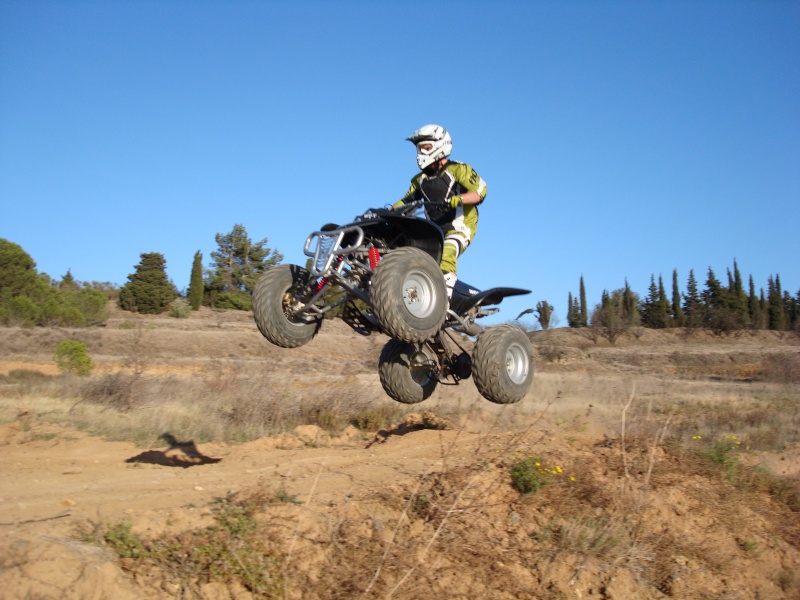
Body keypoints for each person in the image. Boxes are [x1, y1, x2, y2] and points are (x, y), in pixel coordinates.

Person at [392, 124, 487, 299]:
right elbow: (405, 201)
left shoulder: (458, 169)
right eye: (419, 149)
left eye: (425, 148)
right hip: (434, 232)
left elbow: (480, 192)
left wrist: (457, 199)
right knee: (413, 263)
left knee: (447, 254)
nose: (421, 153)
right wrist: (390, 210)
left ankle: (443, 302)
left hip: (461, 226)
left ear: (440, 145)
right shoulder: (419, 180)